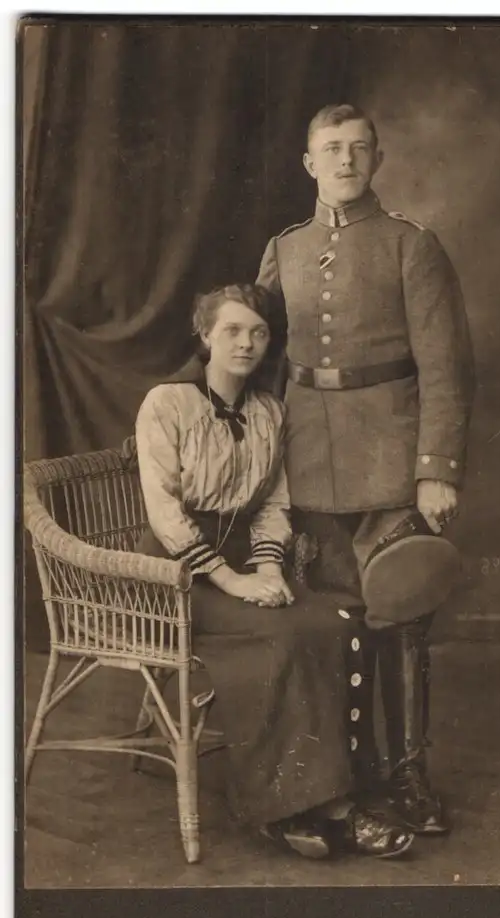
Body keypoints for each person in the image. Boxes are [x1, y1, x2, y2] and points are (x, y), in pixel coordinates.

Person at [134, 282, 414, 860]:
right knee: (281, 634)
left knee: (341, 620)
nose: (246, 343)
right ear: (205, 334)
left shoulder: (267, 411)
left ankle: (345, 791)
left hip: (249, 561)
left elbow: (271, 503)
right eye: (232, 330)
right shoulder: (166, 404)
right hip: (175, 572)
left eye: (258, 333)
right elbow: (164, 513)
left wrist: (267, 566)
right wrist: (233, 581)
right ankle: (304, 808)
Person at [256, 105, 476, 835]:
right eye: (331, 149)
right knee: (331, 619)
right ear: (308, 162)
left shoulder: (411, 245)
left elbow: (445, 369)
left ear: (377, 159)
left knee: (401, 616)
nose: (345, 161)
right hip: (308, 460)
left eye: (358, 149)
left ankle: (409, 777)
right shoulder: (283, 250)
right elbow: (256, 357)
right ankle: (340, 776)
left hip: (390, 455)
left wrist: (435, 469)